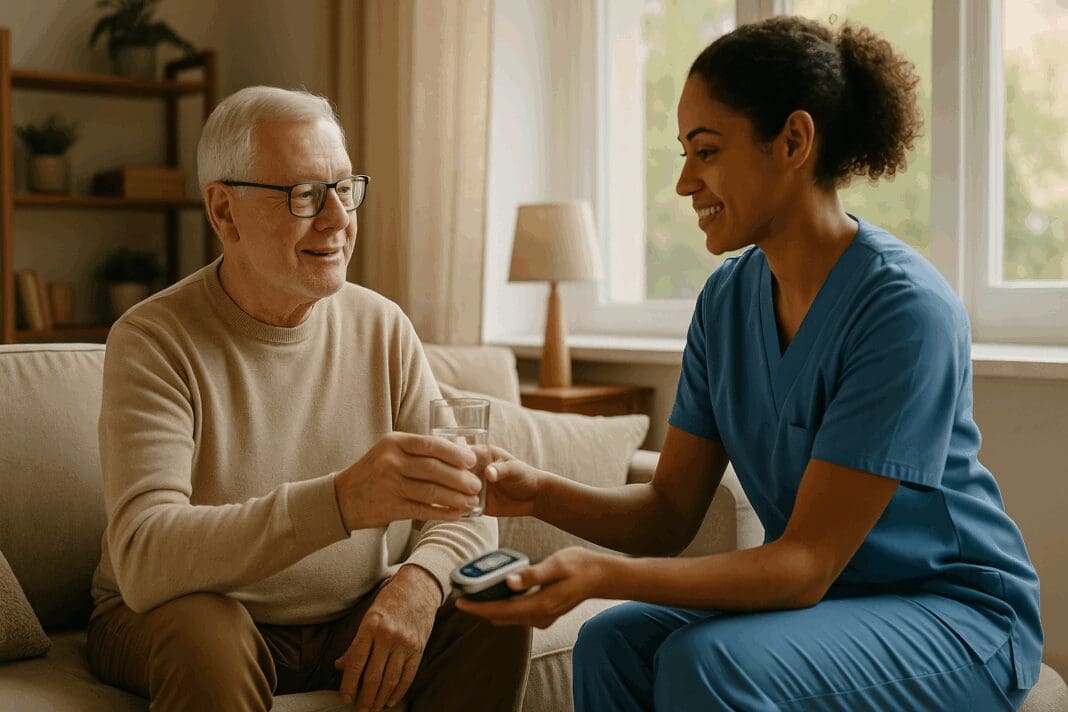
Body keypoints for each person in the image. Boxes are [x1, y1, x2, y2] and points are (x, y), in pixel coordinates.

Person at [457, 16, 1042, 711]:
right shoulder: (726, 302)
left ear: (793, 141)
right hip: (826, 608)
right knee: (612, 642)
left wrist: (605, 573)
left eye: (705, 151)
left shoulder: (903, 312)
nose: (683, 183)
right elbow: (670, 511)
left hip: (954, 615)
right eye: (683, 153)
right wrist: (536, 494)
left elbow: (804, 567)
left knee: (709, 663)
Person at [86, 86, 531, 712]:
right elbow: (145, 554)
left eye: (344, 189)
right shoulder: (153, 339)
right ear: (224, 212)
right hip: (184, 617)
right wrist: (341, 502)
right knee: (207, 632)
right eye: (303, 195)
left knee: (499, 601)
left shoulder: (383, 328)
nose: (337, 219)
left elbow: (466, 503)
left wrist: (419, 584)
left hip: (345, 616)